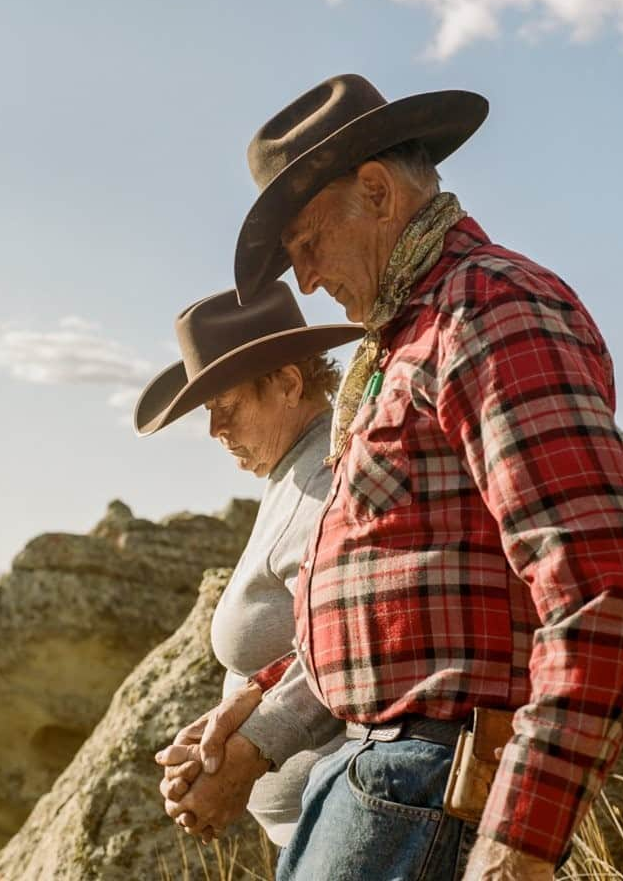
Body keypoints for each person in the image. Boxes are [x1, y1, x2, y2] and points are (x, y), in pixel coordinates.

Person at [161, 75, 623, 880]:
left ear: (374, 190)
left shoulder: (489, 310)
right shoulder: (412, 341)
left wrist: (519, 841)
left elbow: (603, 582)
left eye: (307, 244)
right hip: (386, 779)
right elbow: (404, 605)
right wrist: (259, 712)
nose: (307, 282)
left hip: (429, 778)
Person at [136, 283, 359, 848]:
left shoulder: (326, 482)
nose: (215, 430)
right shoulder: (294, 470)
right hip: (323, 825)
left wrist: (243, 752)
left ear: (287, 382)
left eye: (225, 406)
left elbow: (352, 642)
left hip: (349, 821)